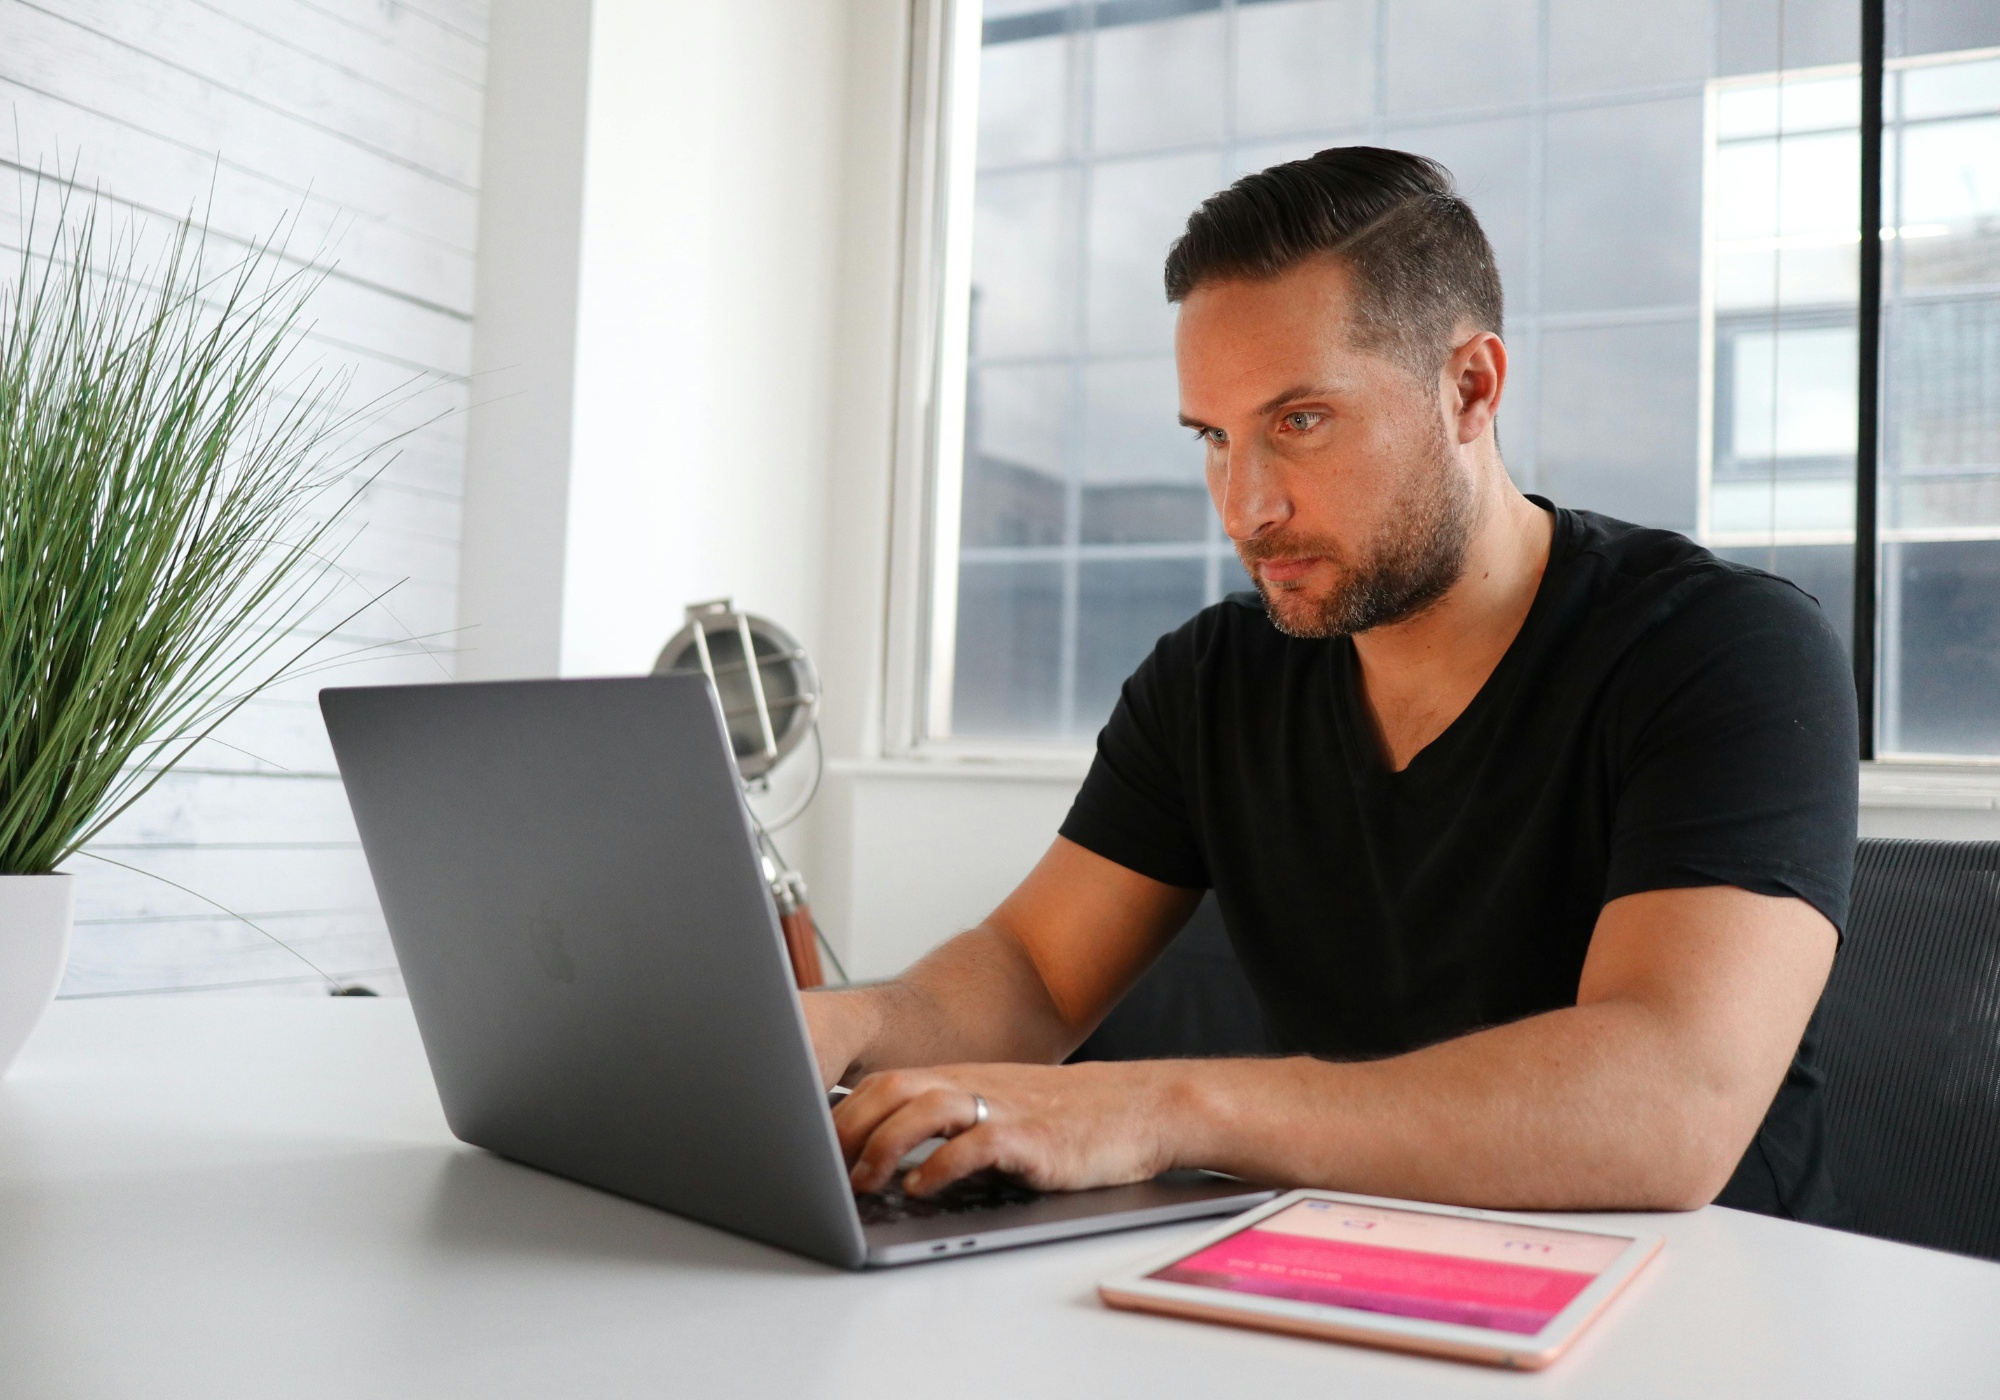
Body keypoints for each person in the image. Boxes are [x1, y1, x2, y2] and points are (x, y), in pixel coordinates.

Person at [805, 147, 1856, 1221]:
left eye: (1298, 420)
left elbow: (1663, 1103)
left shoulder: (1723, 649)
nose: (1243, 505)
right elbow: (1030, 971)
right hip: (1338, 1275)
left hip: (1686, 1310)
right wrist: (833, 1026)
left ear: (1468, 387)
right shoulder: (1210, 679)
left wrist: (1159, 1106)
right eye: (1214, 437)